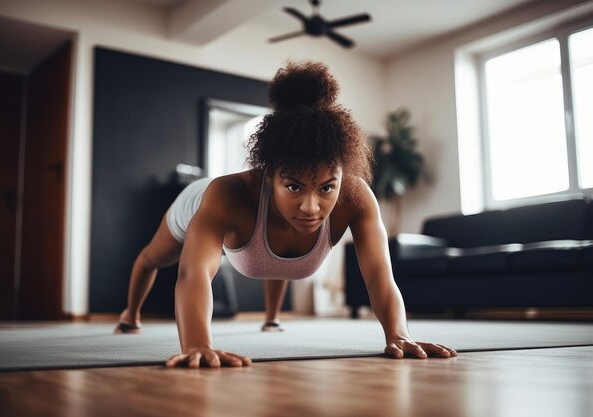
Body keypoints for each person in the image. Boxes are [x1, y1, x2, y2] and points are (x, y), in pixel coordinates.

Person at [115, 61, 458, 368]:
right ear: (269, 175)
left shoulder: (357, 198)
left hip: (261, 234)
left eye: (326, 187)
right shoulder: (227, 195)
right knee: (153, 258)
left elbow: (379, 276)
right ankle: (130, 315)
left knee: (279, 244)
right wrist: (197, 345)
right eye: (294, 187)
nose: (311, 207)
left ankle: (271, 318)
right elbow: (193, 276)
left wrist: (398, 334)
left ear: (341, 177)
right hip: (196, 203)